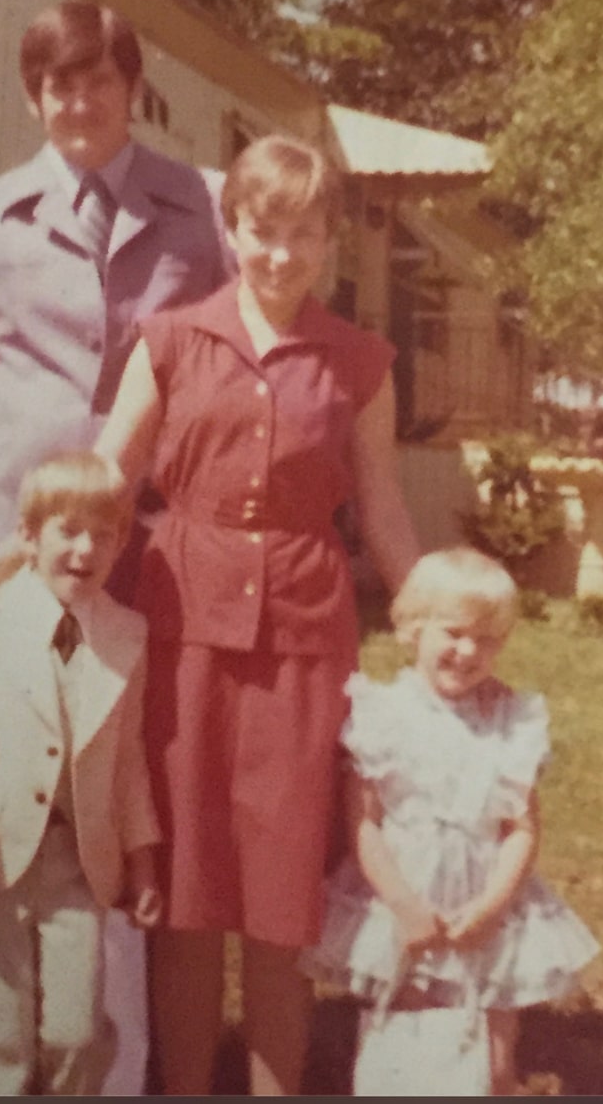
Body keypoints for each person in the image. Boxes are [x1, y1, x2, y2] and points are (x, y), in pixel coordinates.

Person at [0, 0, 232, 1094]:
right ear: (33, 96)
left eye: (96, 79)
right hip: (16, 547)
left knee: (120, 784)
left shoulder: (198, 208)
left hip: (148, 545)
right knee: (4, 792)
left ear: (131, 85)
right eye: (55, 84)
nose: (76, 102)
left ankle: (116, 1061)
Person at [92, 133, 421, 1095]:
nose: (282, 254)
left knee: (284, 900)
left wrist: (440, 623)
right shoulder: (170, 340)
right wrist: (17, 583)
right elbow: (106, 482)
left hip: (304, 649)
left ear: (331, 243)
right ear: (232, 229)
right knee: (186, 897)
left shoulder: (361, 360)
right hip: (181, 633)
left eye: (305, 235)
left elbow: (386, 508)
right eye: (264, 230)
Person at [300, 546, 600, 1096]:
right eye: (454, 633)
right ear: (414, 628)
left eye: (486, 639)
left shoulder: (511, 719)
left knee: (492, 1055)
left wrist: (492, 907)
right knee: (412, 1039)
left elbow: (522, 828)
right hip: (408, 900)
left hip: (487, 905)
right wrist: (405, 906)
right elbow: (363, 826)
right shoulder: (381, 715)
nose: (468, 651)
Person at [0, 451, 163, 1095]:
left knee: (77, 1029)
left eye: (105, 534)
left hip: (79, 864)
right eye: (68, 530)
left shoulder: (125, 635)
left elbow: (129, 756)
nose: (86, 549)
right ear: (28, 537)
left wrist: (141, 860)